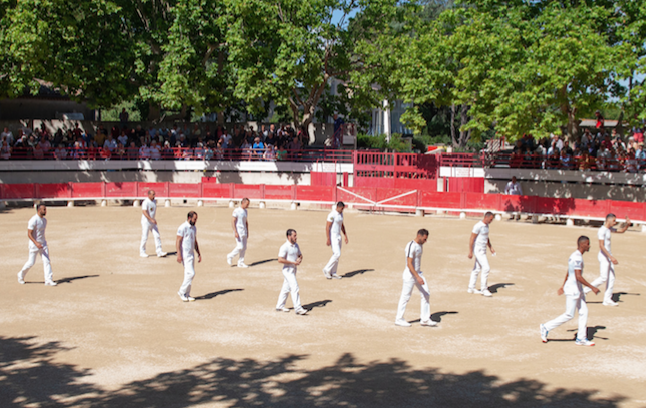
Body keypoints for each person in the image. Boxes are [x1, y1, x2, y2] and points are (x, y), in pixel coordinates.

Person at [540, 236, 599, 346]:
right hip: (573, 289)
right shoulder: (577, 258)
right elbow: (578, 276)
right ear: (582, 245)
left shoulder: (574, 255)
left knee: (583, 312)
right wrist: (592, 287)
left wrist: (563, 285)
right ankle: (546, 327)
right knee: (569, 314)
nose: (589, 245)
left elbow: (569, 271)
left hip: (577, 288)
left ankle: (581, 338)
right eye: (587, 243)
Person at [583, 214, 630, 306]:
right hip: (604, 256)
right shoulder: (602, 231)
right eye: (614, 220)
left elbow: (621, 231)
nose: (615, 222)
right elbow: (601, 246)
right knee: (604, 277)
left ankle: (607, 299)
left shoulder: (608, 229)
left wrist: (627, 225)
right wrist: (611, 257)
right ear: (609, 220)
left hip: (608, 256)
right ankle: (585, 291)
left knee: (611, 278)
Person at [395, 229, 438, 327]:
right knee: (405, 297)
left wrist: (418, 275)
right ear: (419, 236)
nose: (425, 241)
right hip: (410, 275)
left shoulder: (420, 245)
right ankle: (399, 319)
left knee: (426, 294)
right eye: (424, 239)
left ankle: (425, 319)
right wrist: (417, 277)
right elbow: (409, 264)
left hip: (418, 273)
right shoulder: (411, 246)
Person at [17, 204, 57, 286]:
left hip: (43, 244)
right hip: (34, 245)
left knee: (47, 261)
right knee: (31, 262)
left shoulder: (44, 220)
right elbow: (29, 234)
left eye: (45, 209)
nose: (45, 211)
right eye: (44, 209)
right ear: (39, 210)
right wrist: (36, 243)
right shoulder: (33, 220)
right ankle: (21, 275)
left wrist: (42, 243)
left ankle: (48, 280)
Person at [275, 229, 308, 315]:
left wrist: (299, 259)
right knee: (295, 287)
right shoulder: (284, 247)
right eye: (294, 236)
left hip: (293, 270)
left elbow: (300, 255)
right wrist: (293, 262)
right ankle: (298, 308)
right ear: (289, 236)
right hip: (287, 270)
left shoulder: (296, 245)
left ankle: (279, 305)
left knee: (286, 288)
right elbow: (280, 259)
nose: (296, 237)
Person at [467, 212, 496, 297]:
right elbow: (472, 238)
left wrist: (490, 247)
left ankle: (471, 287)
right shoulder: (478, 226)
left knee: (477, 268)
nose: (491, 221)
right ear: (486, 217)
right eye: (490, 219)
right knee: (486, 268)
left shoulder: (486, 226)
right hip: (478, 250)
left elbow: (486, 237)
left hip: (483, 250)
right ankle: (484, 289)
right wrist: (470, 251)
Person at [176, 211, 201, 302]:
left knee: (188, 274)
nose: (195, 221)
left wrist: (198, 253)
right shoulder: (183, 227)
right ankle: (181, 291)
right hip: (185, 254)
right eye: (194, 219)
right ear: (189, 218)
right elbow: (178, 241)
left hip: (191, 253)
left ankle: (187, 293)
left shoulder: (194, 228)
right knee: (191, 273)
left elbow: (195, 241)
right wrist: (179, 254)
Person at [322, 201, 348, 279]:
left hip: (338, 235)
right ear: (338, 207)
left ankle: (333, 272)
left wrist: (345, 235)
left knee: (336, 255)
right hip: (333, 236)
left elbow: (342, 225)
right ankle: (326, 269)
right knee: (337, 253)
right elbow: (327, 227)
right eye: (342, 209)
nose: (342, 210)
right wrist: (328, 238)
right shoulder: (332, 215)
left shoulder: (341, 214)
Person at [140, 190, 167, 258]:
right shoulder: (145, 202)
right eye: (153, 195)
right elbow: (144, 212)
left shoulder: (154, 201)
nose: (154, 196)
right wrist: (151, 219)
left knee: (157, 235)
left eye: (154, 194)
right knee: (145, 237)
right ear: (149, 195)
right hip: (146, 222)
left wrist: (153, 219)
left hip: (152, 221)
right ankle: (142, 252)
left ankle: (159, 251)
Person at [227, 198, 250, 268]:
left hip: (244, 231)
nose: (248, 205)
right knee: (240, 246)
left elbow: (246, 222)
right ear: (243, 203)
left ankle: (241, 262)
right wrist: (235, 231)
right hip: (239, 231)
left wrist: (247, 231)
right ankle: (230, 256)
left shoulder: (246, 211)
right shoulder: (236, 210)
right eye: (247, 204)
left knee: (244, 247)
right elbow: (233, 221)